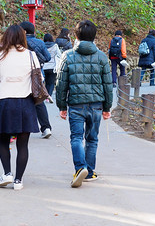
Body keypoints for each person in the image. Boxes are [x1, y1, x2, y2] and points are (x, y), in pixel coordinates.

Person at [55, 20, 113, 188]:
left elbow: (61, 83)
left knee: (76, 137)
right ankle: (89, 171)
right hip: (96, 105)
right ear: (94, 36)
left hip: (76, 104)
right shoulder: (102, 57)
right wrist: (107, 108)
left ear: (76, 36)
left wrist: (62, 106)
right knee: (92, 139)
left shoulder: (68, 56)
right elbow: (108, 85)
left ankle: (80, 168)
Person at [0, 25, 40, 191]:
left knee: (3, 141)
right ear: (22, 37)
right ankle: (18, 180)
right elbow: (38, 79)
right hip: (25, 102)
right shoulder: (31, 55)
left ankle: (7, 173)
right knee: (23, 144)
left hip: (5, 101)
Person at [19, 21, 52, 139]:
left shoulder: (19, 43)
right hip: (38, 75)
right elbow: (47, 57)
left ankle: (19, 129)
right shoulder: (40, 42)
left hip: (22, 76)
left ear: (24, 31)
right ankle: (46, 128)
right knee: (39, 101)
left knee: (20, 101)